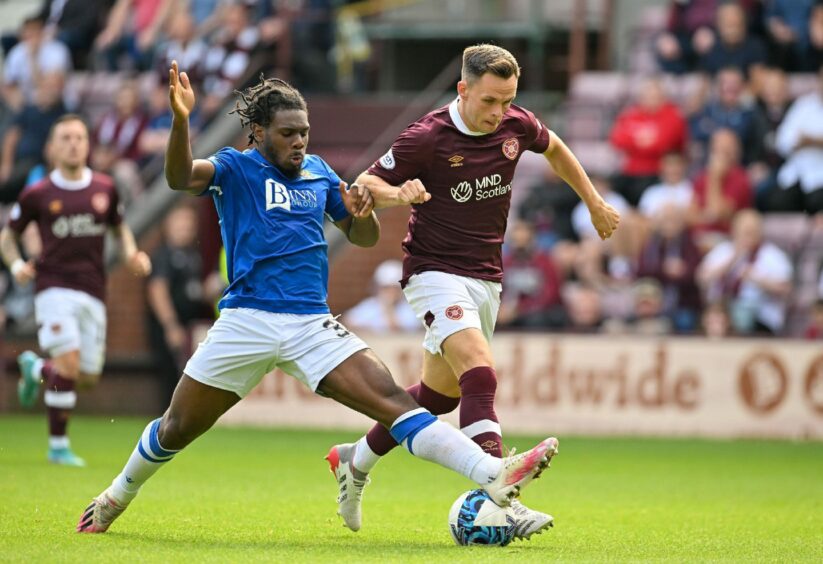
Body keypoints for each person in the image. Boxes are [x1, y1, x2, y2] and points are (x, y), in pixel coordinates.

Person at [75, 61, 558, 534]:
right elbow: (179, 178)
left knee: (395, 402)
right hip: (246, 320)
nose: (299, 141)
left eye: (304, 131)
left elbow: (363, 236)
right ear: (259, 132)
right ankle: (117, 494)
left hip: (311, 323)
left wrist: (362, 211)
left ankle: (490, 472)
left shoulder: (320, 173)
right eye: (288, 133)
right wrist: (181, 119)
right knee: (177, 427)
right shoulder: (235, 168)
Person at [328, 44, 620, 538]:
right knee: (480, 375)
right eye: (489, 101)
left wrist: (593, 201)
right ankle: (500, 493)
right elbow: (363, 185)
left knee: (437, 398)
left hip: (486, 276)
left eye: (507, 101)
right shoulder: (428, 136)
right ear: (463, 90)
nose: (499, 113)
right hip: (433, 271)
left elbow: (555, 149)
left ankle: (354, 459)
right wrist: (399, 193)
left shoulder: (515, 124)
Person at [0, 113, 152, 466]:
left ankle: (35, 368)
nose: (73, 144)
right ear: (52, 147)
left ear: (88, 144)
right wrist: (16, 265)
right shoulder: (38, 193)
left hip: (93, 290)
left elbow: (120, 229)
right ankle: (58, 446)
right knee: (67, 362)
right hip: (53, 287)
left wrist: (131, 254)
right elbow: (8, 236)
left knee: (85, 377)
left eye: (79, 138)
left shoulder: (104, 188)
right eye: (65, 138)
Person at [696, 209, 792, 335]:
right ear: (734, 231)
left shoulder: (772, 256)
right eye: (744, 232)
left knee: (742, 313)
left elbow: (786, 288)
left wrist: (756, 279)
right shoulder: (723, 251)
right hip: (720, 311)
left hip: (760, 315)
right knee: (715, 318)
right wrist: (731, 260)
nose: (748, 237)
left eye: (751, 232)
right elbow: (701, 278)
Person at [342, 259, 419, 333]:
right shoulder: (370, 305)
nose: (391, 292)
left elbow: (399, 331)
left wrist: (389, 308)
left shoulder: (410, 309)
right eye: (386, 288)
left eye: (394, 288)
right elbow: (348, 320)